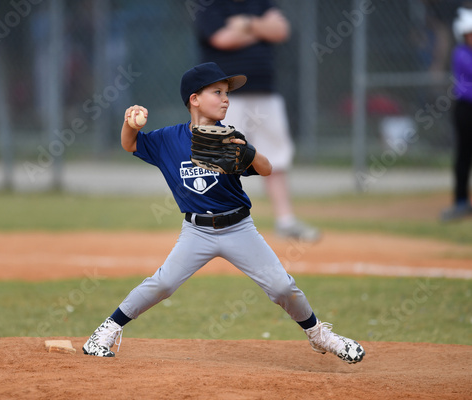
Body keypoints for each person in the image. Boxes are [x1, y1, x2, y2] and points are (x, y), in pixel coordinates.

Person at [82, 62, 365, 364]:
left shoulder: (229, 138)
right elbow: (129, 144)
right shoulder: (167, 139)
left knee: (282, 286)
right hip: (197, 231)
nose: (226, 99)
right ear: (194, 98)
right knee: (163, 283)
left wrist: (250, 153)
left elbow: (267, 170)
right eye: (217, 92)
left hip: (239, 228)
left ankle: (319, 335)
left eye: (227, 93)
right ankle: (106, 331)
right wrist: (131, 125)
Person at [193, 0, 320, 242]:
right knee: (220, 157)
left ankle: (285, 220)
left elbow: (281, 31)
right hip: (225, 96)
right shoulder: (209, 5)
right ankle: (213, 220)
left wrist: (247, 25)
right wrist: (262, 31)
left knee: (275, 156)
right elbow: (222, 39)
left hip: (265, 93)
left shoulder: (259, 2)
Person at [441, 6, 472, 221]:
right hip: (465, 109)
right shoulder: (460, 53)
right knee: (464, 156)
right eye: (469, 34)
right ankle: (461, 202)